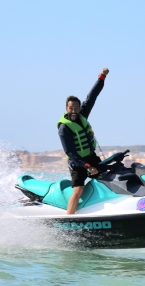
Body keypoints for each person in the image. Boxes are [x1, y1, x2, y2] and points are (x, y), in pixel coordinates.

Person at [57, 67, 109, 214]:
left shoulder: (83, 114)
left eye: (76, 108)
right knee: (78, 190)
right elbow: (70, 152)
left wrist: (102, 76)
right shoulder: (64, 128)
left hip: (91, 157)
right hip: (78, 163)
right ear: (66, 108)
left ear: (80, 108)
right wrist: (87, 166)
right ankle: (69, 218)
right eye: (71, 108)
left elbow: (92, 96)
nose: (74, 111)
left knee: (109, 179)